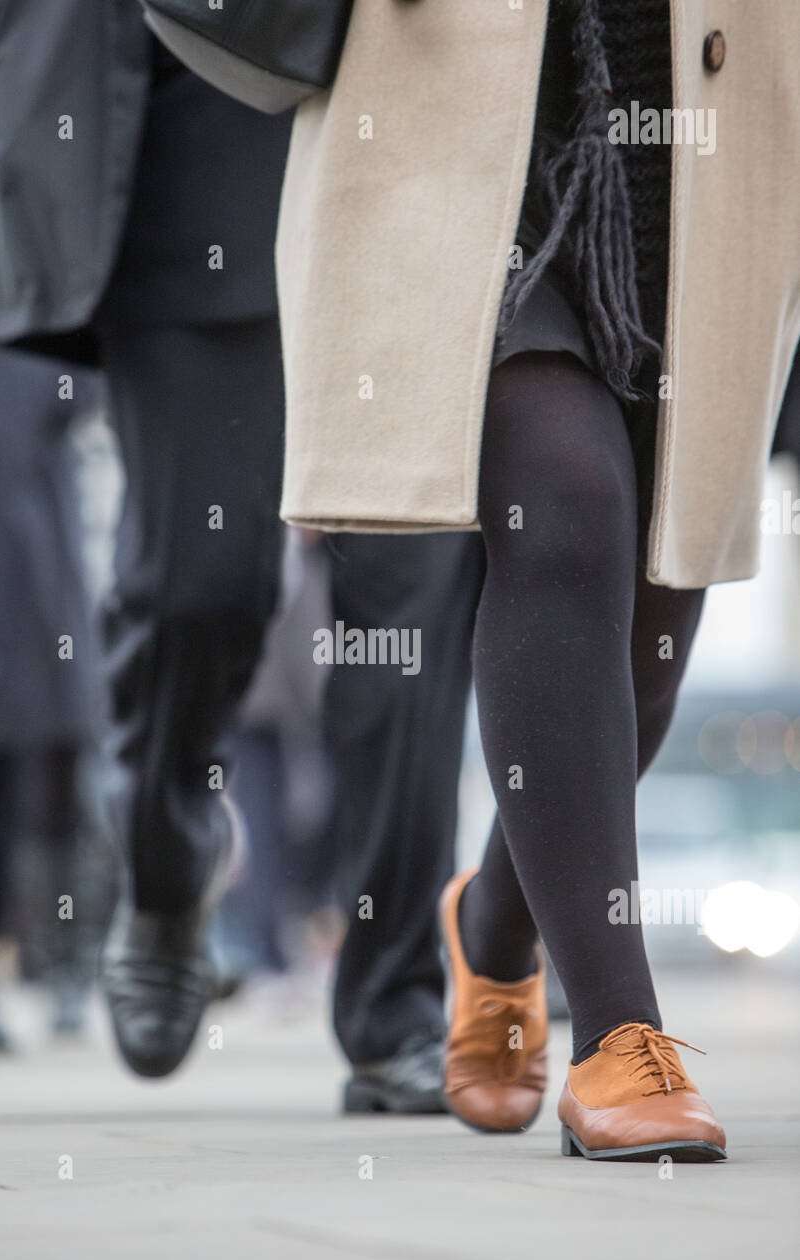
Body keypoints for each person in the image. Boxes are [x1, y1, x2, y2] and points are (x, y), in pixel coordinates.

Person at [269, 0, 800, 1158]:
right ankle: (620, 1038)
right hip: (451, 134)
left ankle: (494, 920)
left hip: (701, 138)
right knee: (566, 507)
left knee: (647, 645)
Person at [0, 0, 484, 1108]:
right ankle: (168, 851)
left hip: (396, 116)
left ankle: (395, 1002)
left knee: (405, 601)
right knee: (195, 587)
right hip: (172, 140)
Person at [0, 47, 103, 1050]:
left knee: (34, 741)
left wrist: (53, 406)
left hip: (9, 466)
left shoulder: (15, 81)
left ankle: (47, 956)